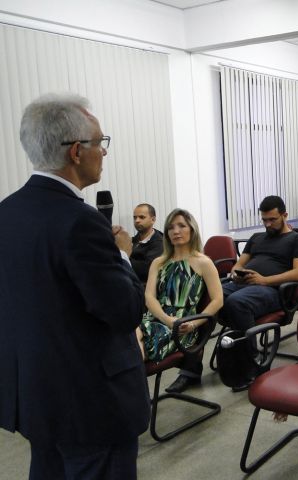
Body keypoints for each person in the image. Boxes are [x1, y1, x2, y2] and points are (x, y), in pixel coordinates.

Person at [0, 93, 148, 479]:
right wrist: (123, 255)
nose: (104, 152)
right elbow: (125, 311)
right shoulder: (80, 222)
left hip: (36, 395)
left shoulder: (7, 213)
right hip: (91, 404)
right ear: (77, 152)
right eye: (101, 143)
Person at [222, 195, 298, 391]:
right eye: (264, 220)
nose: (268, 224)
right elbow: (240, 262)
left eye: (273, 219)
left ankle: (254, 363)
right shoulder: (257, 238)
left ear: (285, 215)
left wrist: (263, 280)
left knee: (236, 302)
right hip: (245, 284)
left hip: (274, 290)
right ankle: (199, 364)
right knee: (213, 295)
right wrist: (235, 273)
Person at [137, 208, 223, 392]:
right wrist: (166, 319)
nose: (176, 231)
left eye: (182, 226)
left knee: (130, 348)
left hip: (184, 325)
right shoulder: (159, 262)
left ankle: (132, 398)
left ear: (192, 229)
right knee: (125, 338)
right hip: (157, 318)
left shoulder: (203, 262)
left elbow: (217, 300)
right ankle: (134, 395)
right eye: (171, 227)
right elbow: (149, 297)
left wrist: (194, 324)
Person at [131, 203, 163, 283]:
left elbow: (146, 269)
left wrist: (125, 256)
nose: (137, 220)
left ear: (153, 219)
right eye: (135, 218)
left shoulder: (160, 242)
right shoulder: (132, 240)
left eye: (142, 217)